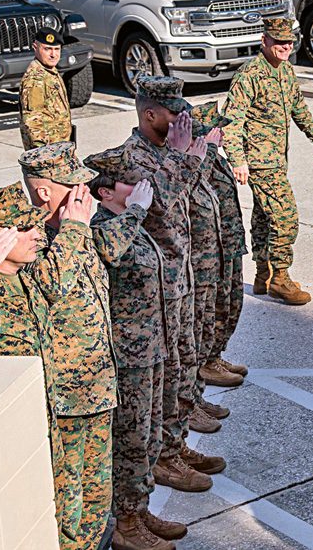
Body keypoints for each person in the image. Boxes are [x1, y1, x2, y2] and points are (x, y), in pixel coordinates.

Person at [0, 181, 97, 545]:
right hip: (7, 452)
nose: (38, 234)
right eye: (24, 228)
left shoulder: (26, 277)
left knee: (72, 522)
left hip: (49, 432)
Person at [113, 73, 222, 493]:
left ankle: (173, 450)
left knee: (185, 367)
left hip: (181, 280)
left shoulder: (167, 152)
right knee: (167, 380)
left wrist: (187, 157)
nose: (183, 122)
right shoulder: (131, 159)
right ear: (150, 114)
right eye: (174, 114)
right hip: (153, 296)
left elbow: (189, 196)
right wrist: (182, 157)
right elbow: (161, 204)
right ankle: (164, 458)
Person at [85, 148, 187, 550]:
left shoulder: (131, 222)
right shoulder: (105, 228)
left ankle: (139, 510)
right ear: (105, 192)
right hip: (129, 358)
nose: (141, 187)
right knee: (131, 440)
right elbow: (110, 253)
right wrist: (135, 213)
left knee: (147, 437)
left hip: (152, 349)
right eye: (130, 182)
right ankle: (125, 524)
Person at [19, 142, 118, 549]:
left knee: (97, 497)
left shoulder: (71, 233)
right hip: (67, 399)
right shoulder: (29, 238)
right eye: (72, 185)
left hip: (97, 387)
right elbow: (50, 286)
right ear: (45, 192)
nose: (83, 193)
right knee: (69, 504)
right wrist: (76, 228)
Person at [224, 18, 313, 305]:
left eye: (289, 42)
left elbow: (297, 105)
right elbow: (231, 121)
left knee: (263, 216)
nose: (285, 47)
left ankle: (263, 275)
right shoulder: (249, 76)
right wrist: (238, 160)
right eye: (278, 41)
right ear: (264, 41)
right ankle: (281, 278)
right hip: (259, 162)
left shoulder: (285, 70)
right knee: (285, 217)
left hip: (277, 157)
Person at [189, 101, 249, 401]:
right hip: (211, 252)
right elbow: (188, 182)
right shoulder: (195, 160)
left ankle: (215, 356)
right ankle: (205, 362)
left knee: (231, 304)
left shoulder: (215, 158)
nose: (221, 135)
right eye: (215, 130)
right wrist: (208, 150)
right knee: (213, 309)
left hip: (229, 244)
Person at [19, 27, 74, 150]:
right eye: (47, 49)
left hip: (58, 147)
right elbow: (33, 122)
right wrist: (44, 154)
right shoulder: (35, 79)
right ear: (35, 47)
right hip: (48, 152)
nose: (53, 55)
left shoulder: (49, 71)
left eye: (57, 49)